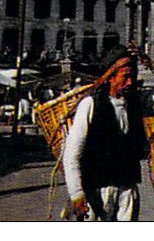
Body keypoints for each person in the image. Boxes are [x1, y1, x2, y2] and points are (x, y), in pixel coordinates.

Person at [63, 47, 148, 221]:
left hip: (128, 189)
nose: (130, 82)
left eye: (132, 76)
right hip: (97, 190)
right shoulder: (90, 104)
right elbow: (72, 153)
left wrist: (152, 64)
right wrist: (77, 194)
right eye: (125, 77)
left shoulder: (134, 105)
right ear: (110, 77)